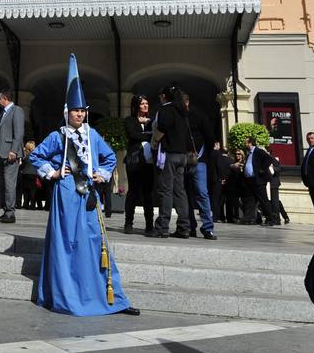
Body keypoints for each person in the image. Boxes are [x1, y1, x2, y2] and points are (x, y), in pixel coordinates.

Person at [28, 54, 138, 316]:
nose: (79, 114)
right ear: (68, 112)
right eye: (76, 110)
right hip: (66, 193)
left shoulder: (93, 134)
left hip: (88, 194)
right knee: (67, 243)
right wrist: (53, 173)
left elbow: (110, 156)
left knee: (94, 243)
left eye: (82, 110)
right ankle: (68, 294)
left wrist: (101, 173)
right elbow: (35, 156)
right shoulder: (58, 136)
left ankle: (109, 296)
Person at [151, 86, 194, 238]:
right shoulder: (182, 111)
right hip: (182, 155)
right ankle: (184, 227)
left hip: (169, 154)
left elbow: (162, 127)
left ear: (164, 96)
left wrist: (155, 141)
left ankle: (162, 227)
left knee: (165, 190)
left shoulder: (165, 110)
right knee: (179, 191)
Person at [180, 92, 216, 240]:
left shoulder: (199, 116)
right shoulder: (178, 116)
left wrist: (203, 155)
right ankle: (190, 226)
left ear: (187, 103)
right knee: (185, 195)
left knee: (201, 193)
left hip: (198, 160)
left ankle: (207, 227)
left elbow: (210, 138)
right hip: (183, 160)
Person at [122, 95, 156, 234]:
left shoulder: (152, 120)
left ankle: (149, 225)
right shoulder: (129, 120)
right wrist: (149, 134)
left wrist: (146, 131)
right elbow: (133, 135)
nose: (145, 106)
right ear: (136, 106)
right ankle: (128, 223)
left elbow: (157, 134)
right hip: (134, 161)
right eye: (142, 104)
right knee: (133, 192)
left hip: (149, 162)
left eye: (147, 103)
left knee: (148, 193)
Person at [0, 88, 25, 224]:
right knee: (4, 183)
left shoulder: (16, 110)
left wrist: (14, 150)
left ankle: (10, 213)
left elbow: (19, 132)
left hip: (10, 153)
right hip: (1, 153)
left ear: (5, 98)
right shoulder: (2, 113)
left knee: (9, 183)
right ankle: (6, 211)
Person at [245, 137, 277, 226]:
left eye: (246, 142)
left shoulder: (258, 151)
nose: (245, 144)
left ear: (250, 143)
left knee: (263, 200)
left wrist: (262, 169)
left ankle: (270, 219)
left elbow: (269, 159)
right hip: (251, 180)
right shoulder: (249, 153)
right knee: (250, 200)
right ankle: (249, 218)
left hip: (259, 180)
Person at [223, 147, 246, 223]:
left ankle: (240, 216)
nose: (237, 155)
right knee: (231, 201)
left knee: (241, 202)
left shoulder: (244, 162)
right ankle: (231, 217)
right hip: (233, 185)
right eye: (236, 154)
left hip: (242, 185)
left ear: (242, 155)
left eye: (239, 154)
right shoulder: (232, 162)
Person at [268, 149, 290, 225]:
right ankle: (283, 217)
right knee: (274, 201)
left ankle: (277, 218)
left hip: (273, 183)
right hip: (267, 183)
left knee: (275, 201)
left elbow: (279, 168)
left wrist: (272, 169)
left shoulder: (272, 158)